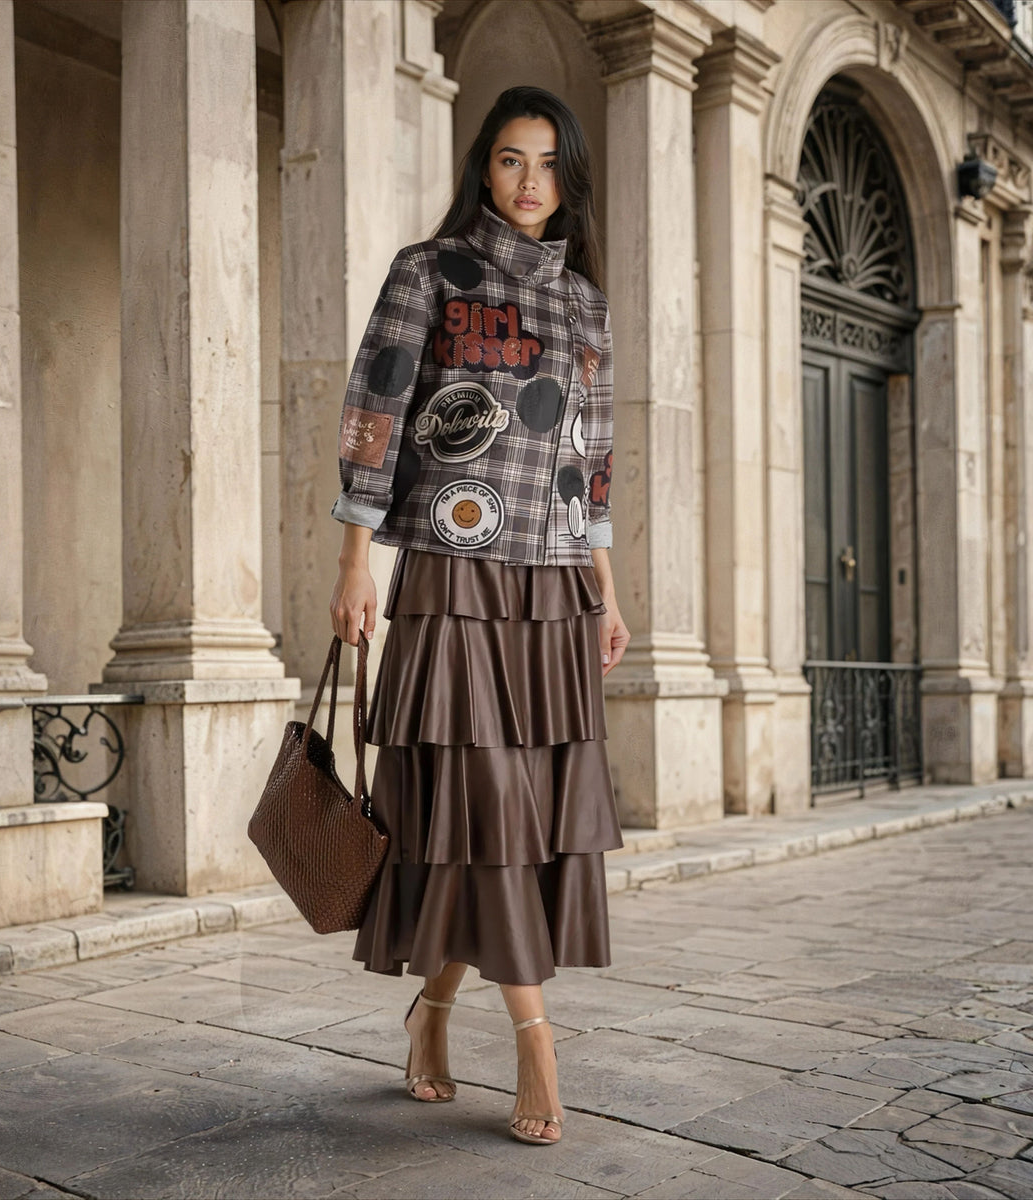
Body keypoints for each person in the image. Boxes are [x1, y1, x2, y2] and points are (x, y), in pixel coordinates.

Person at [329, 85, 629, 1148]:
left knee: (507, 826)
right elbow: (377, 412)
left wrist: (607, 585)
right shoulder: (428, 272)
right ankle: (538, 1043)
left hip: (550, 587)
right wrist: (357, 561)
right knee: (485, 806)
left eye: (548, 164)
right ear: (483, 169)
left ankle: (435, 1010)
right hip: (453, 581)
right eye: (510, 161)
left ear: (569, 177)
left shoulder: (584, 305)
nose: (529, 182)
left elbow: (588, 460)